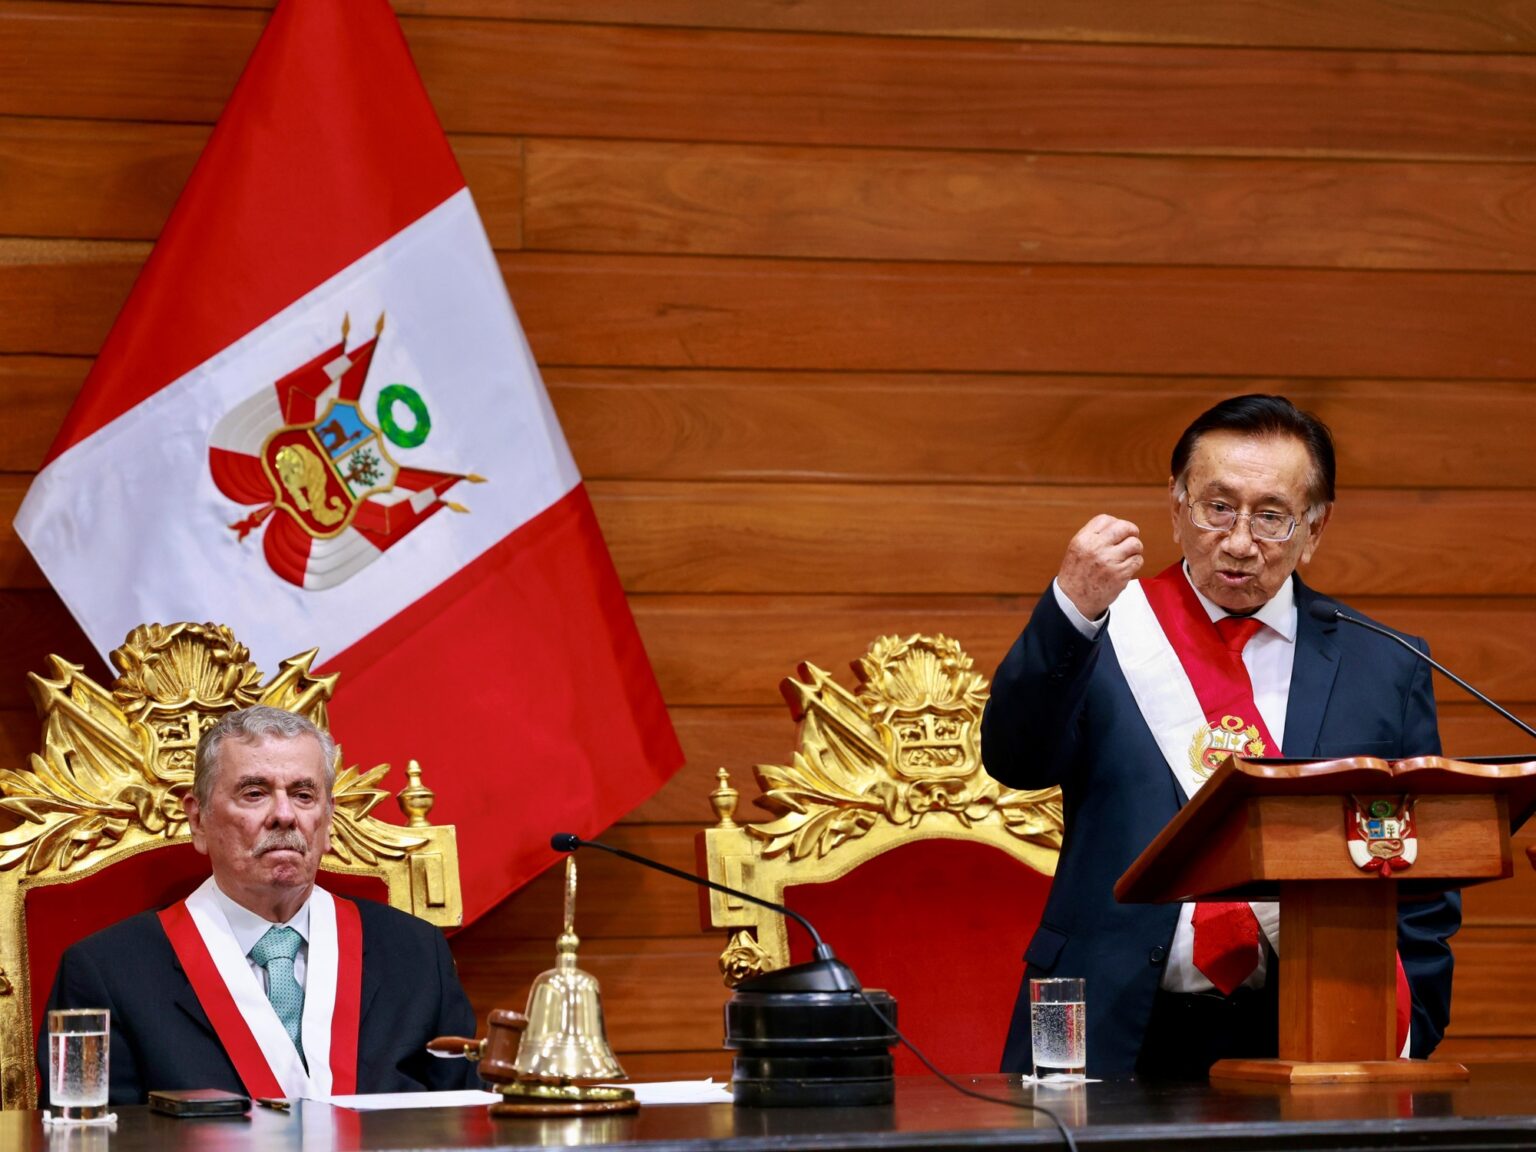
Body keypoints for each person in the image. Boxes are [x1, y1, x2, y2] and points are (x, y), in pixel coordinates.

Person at [981, 394, 1459, 1079]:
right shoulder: (1105, 632)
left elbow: (1425, 874)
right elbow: (1015, 760)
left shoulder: (1382, 664)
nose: (1239, 542)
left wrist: (1416, 1017)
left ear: (1315, 529)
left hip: (1311, 1031)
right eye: (1217, 507)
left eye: (1271, 515)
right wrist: (1068, 609)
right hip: (1111, 1020)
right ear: (1176, 509)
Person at [41, 706, 481, 1104]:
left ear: (327, 822)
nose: (285, 815)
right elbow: (85, 1141)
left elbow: (466, 1121)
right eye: (255, 793)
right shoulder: (105, 973)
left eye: (304, 795)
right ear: (198, 819)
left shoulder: (418, 955)